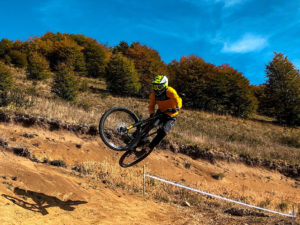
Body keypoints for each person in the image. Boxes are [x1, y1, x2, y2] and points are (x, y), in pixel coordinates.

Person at [143, 74, 182, 152]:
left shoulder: (170, 91)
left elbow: (178, 100)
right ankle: (137, 136)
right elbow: (151, 106)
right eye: (155, 86)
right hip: (161, 112)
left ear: (165, 85)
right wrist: (151, 113)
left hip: (171, 116)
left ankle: (150, 147)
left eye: (159, 86)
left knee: (164, 131)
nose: (157, 89)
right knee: (150, 123)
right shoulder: (153, 95)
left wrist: (177, 108)